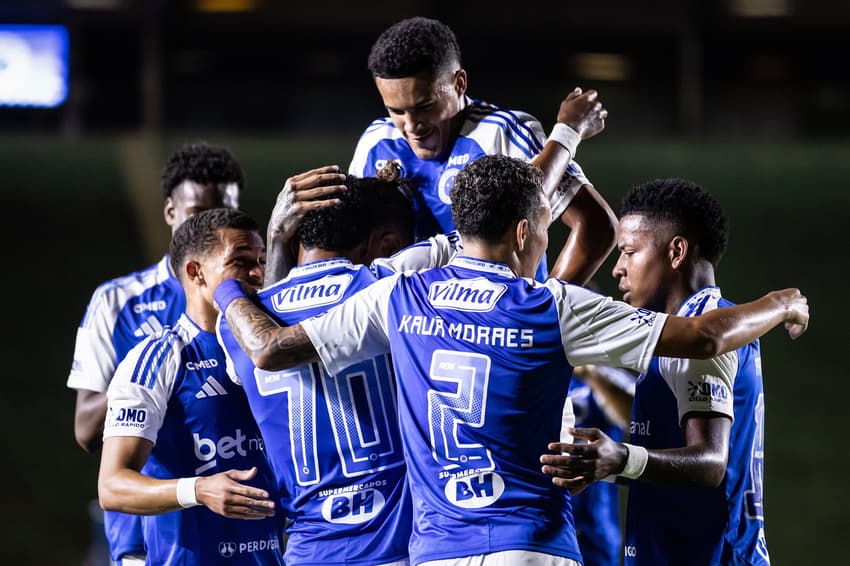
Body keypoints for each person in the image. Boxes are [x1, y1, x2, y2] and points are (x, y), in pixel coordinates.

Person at [214, 155, 808, 566]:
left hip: (436, 548)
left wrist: (228, 292)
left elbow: (269, 347)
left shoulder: (397, 295)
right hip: (532, 542)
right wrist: (782, 300)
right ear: (525, 231)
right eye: (546, 231)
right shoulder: (550, 304)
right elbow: (705, 337)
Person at [541, 178, 777, 565]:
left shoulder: (702, 327)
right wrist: (603, 464)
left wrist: (620, 459)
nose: (617, 269)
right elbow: (667, 462)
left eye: (628, 252)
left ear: (677, 251)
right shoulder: (679, 330)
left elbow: (710, 463)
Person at [217, 173, 417, 565]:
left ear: (294, 241)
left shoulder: (236, 323)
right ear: (386, 244)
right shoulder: (394, 289)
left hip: (309, 550)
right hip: (395, 545)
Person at [66, 141, 244, 565]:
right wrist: (155, 370)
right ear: (170, 213)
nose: (211, 229)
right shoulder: (118, 301)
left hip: (244, 533)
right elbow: (87, 429)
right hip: (149, 540)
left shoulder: (251, 299)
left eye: (225, 215)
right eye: (197, 214)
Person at [98, 207, 284, 565]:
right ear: (195, 273)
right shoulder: (159, 357)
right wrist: (197, 490)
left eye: (261, 261)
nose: (258, 273)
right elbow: (112, 486)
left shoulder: (276, 351)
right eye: (241, 261)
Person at [566, 364, 636, 566]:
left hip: (594, 515)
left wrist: (591, 375)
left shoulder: (604, 374)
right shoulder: (532, 367)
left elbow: (636, 418)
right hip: (538, 509)